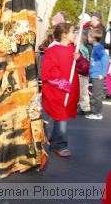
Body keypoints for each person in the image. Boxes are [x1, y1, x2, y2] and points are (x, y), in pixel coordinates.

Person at [41, 23, 89, 157]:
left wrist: (79, 59)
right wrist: (64, 85)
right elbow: (50, 72)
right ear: (64, 35)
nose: (75, 34)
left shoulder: (74, 50)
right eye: (73, 32)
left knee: (60, 117)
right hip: (56, 90)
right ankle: (60, 145)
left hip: (68, 91)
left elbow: (84, 68)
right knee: (61, 116)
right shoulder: (52, 50)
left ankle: (54, 140)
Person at [85, 28, 109, 120]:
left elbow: (105, 59)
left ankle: (97, 113)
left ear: (93, 38)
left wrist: (102, 74)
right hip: (95, 74)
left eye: (89, 36)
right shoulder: (96, 47)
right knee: (95, 94)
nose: (88, 38)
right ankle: (96, 112)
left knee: (96, 95)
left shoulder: (99, 48)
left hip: (98, 75)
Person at [77, 31, 91, 115]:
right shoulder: (85, 48)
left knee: (82, 91)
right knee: (83, 91)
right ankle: (84, 106)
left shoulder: (79, 48)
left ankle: (85, 108)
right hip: (85, 73)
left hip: (81, 73)